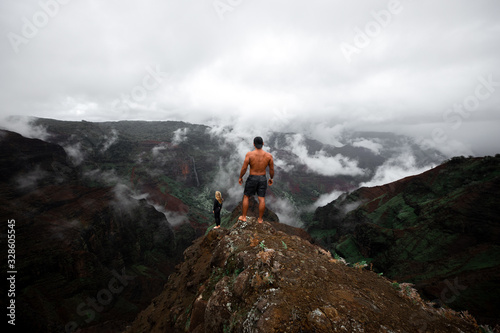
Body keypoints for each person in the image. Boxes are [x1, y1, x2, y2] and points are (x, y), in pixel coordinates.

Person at [238, 136, 274, 223]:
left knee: (246, 196)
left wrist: (240, 177)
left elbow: (244, 168)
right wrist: (271, 178)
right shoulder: (269, 156)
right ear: (263, 144)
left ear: (253, 144)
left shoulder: (249, 154)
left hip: (252, 178)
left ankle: (244, 217)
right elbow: (271, 169)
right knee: (261, 198)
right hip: (262, 178)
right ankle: (260, 219)